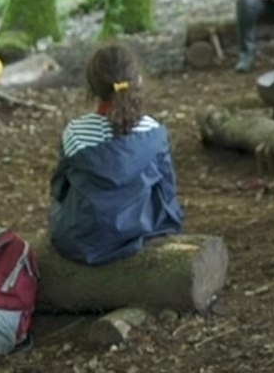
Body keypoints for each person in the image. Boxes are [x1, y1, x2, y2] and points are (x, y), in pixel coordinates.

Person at [48, 44, 184, 265]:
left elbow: (60, 188)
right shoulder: (153, 131)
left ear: (92, 88)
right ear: (137, 80)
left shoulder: (75, 132)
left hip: (83, 239)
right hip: (143, 229)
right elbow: (167, 190)